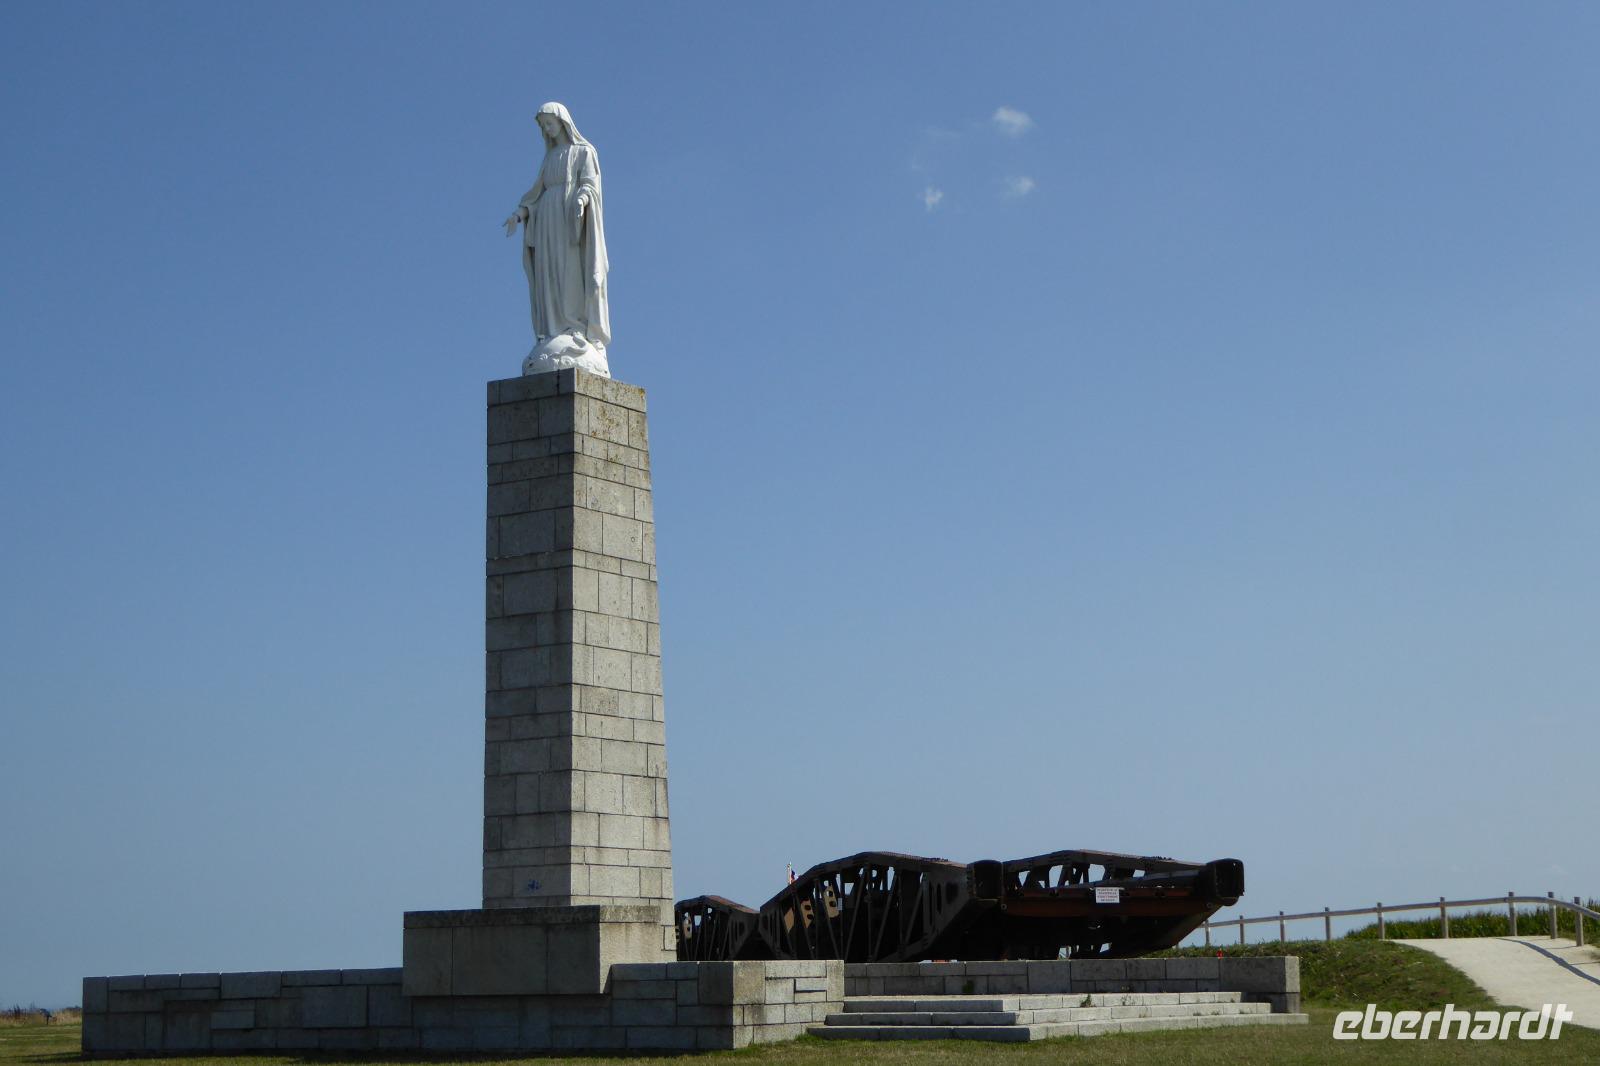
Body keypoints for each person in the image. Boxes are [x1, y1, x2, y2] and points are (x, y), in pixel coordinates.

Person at [504, 102, 611, 377]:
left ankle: (575, 328)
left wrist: (583, 198)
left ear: (562, 122)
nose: (547, 130)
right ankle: (553, 330)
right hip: (547, 225)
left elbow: (590, 183)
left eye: (549, 124)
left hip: (571, 224)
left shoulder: (584, 152)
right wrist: (520, 213)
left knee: (571, 274)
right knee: (549, 277)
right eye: (543, 127)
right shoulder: (550, 159)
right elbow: (537, 196)